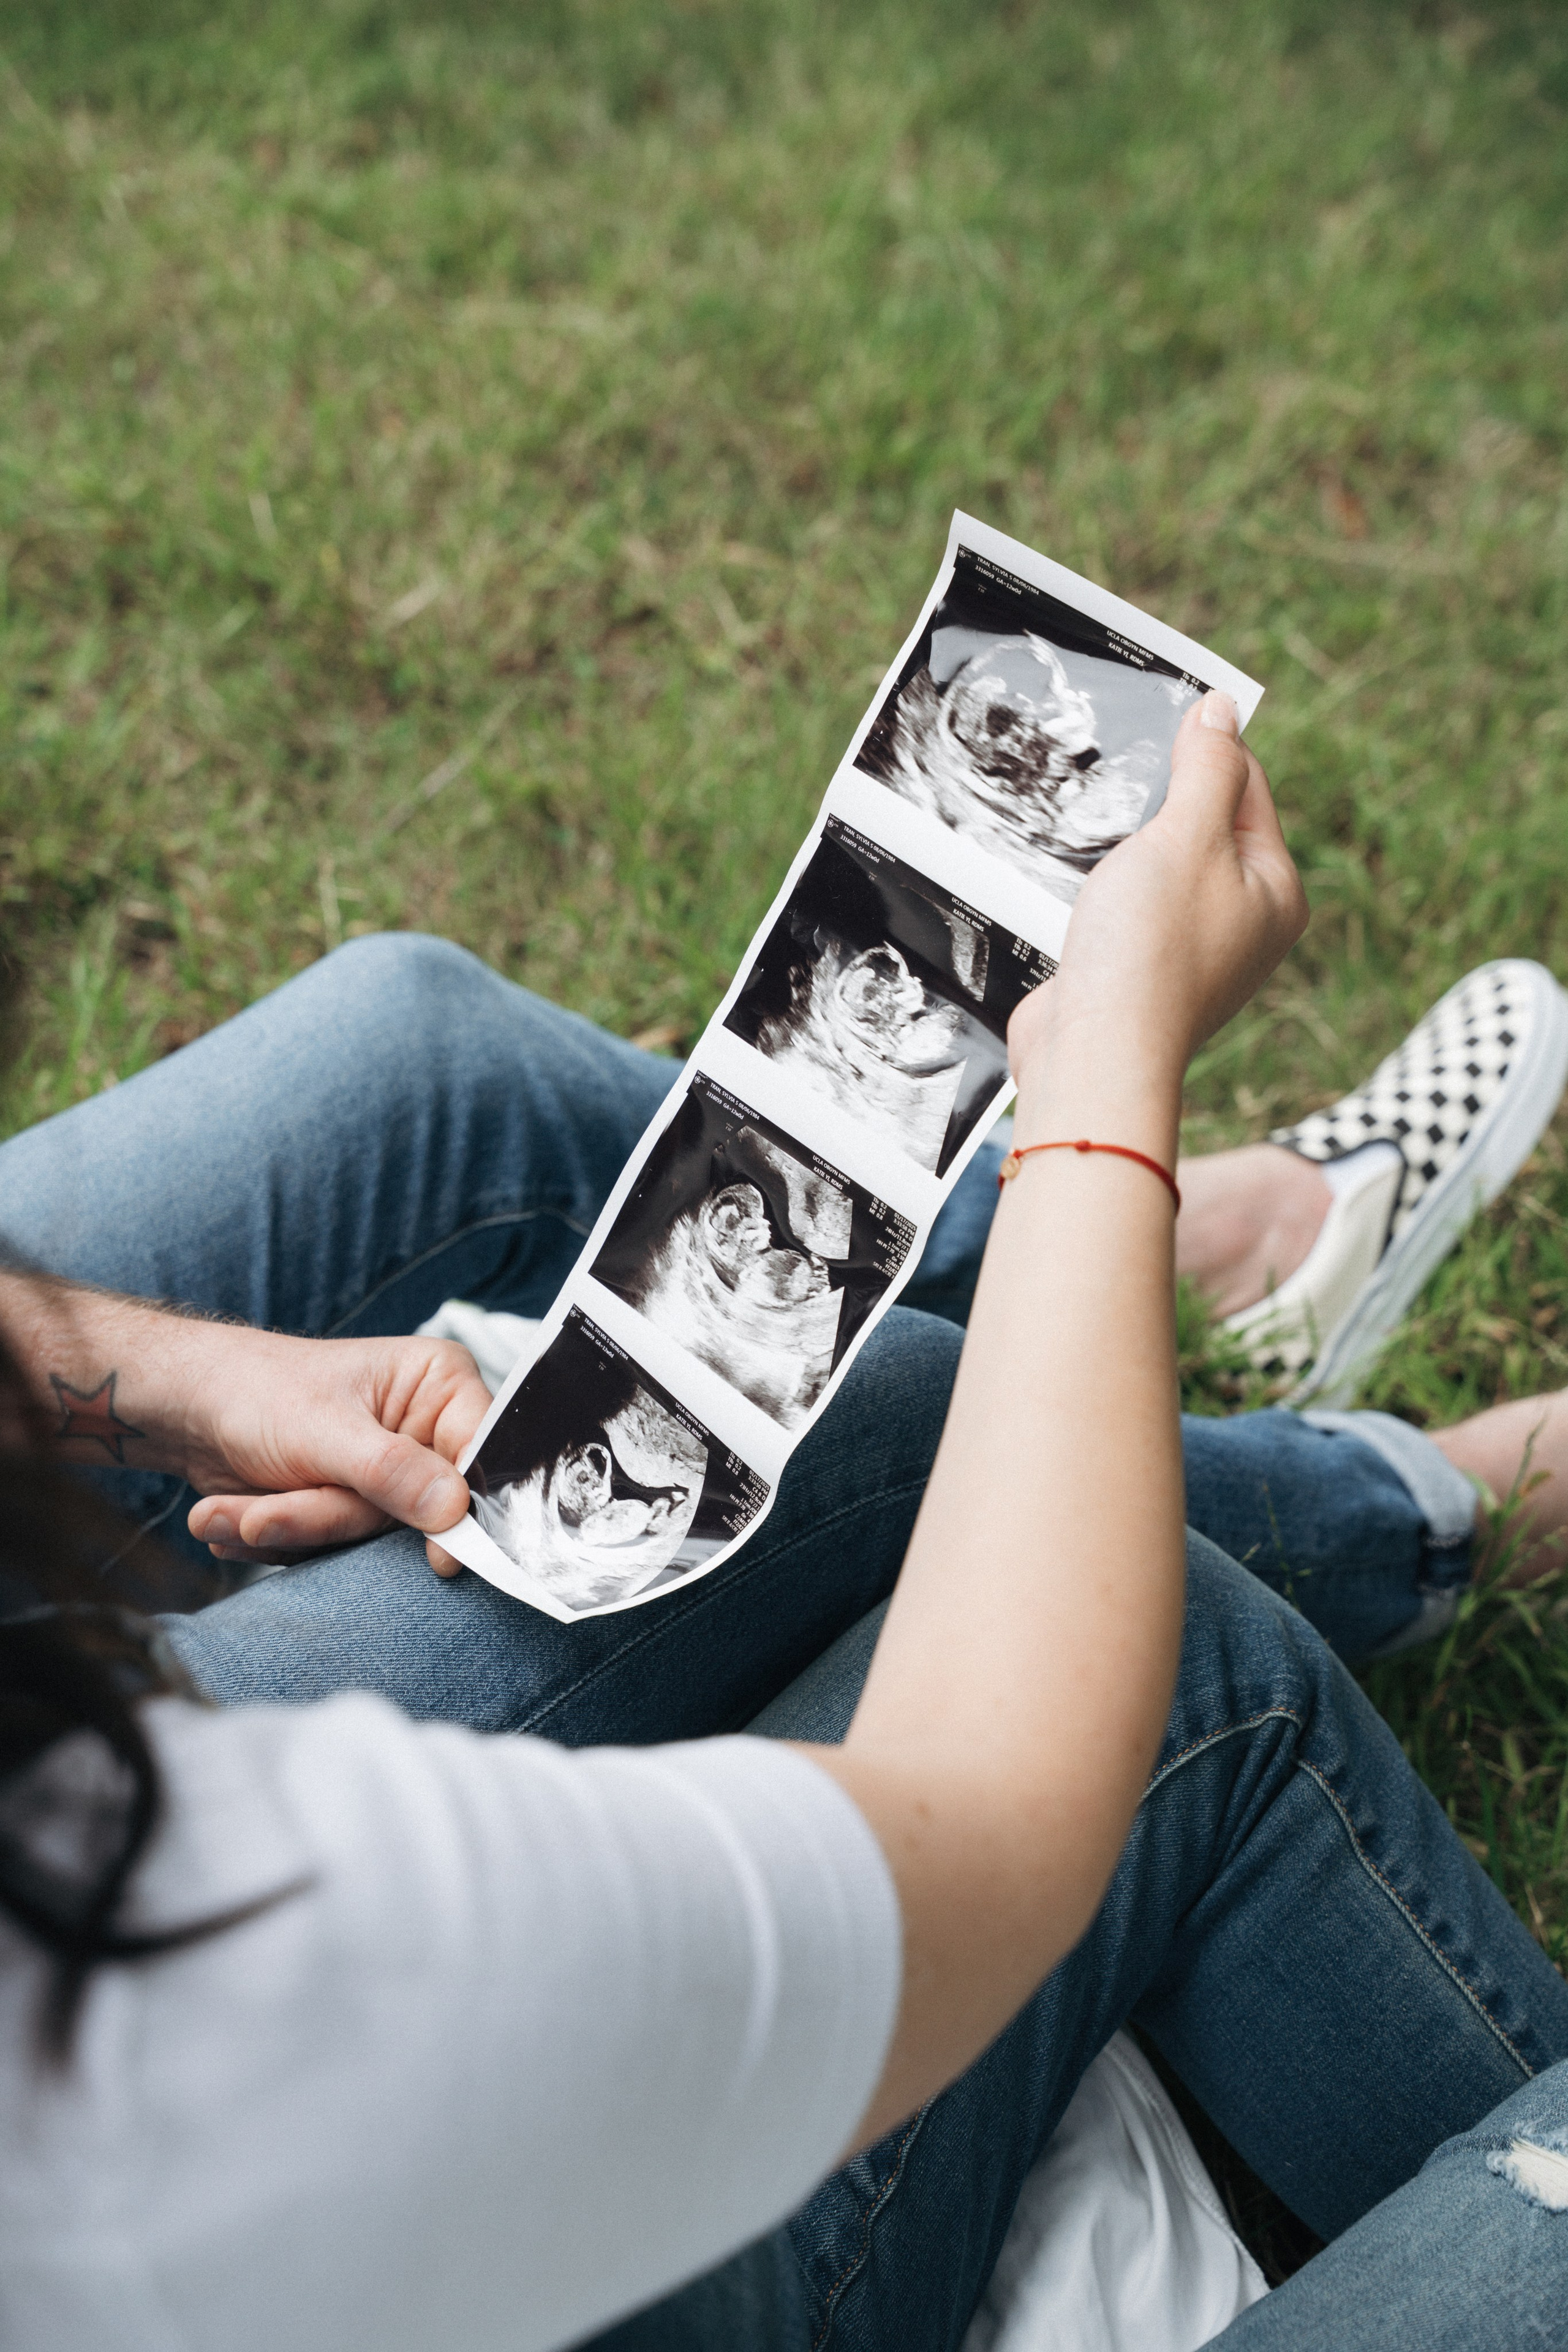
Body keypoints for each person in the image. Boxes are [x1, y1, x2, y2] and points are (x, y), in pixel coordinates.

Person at [2, 697, 1568, 2350]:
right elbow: (987, 1830)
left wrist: (145, 1378)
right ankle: (1418, 1503)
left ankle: (1233, 1333)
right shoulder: (190, 1965)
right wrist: (1107, 1090)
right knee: (1051, 1565)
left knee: (439, 1070)